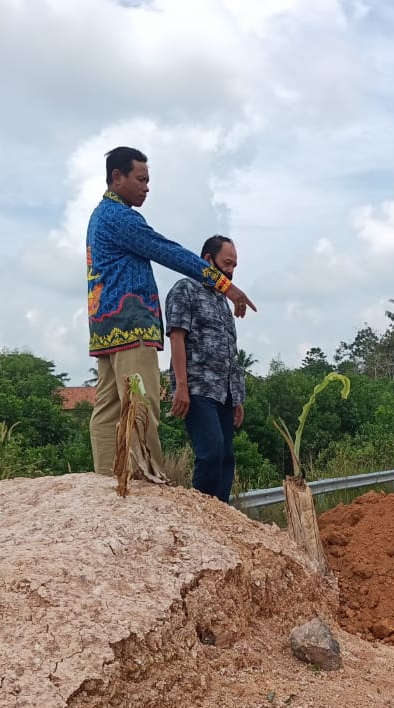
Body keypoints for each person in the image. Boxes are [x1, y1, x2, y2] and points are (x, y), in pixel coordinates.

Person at [85, 146, 256, 476]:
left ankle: (106, 479)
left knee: (108, 406)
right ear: (116, 177)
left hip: (104, 326)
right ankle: (144, 477)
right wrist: (225, 285)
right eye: (141, 179)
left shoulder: (99, 217)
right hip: (131, 324)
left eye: (148, 181)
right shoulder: (120, 218)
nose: (146, 187)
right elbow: (167, 251)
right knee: (141, 403)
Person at [165, 235, 246, 503]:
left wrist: (237, 398)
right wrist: (181, 387)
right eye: (227, 263)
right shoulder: (184, 289)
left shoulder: (223, 301)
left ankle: (221, 516)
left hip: (224, 392)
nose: (231, 271)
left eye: (235, 265)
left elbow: (230, 352)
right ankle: (200, 515)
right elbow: (177, 337)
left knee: (225, 457)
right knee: (210, 451)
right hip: (197, 387)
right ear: (208, 260)